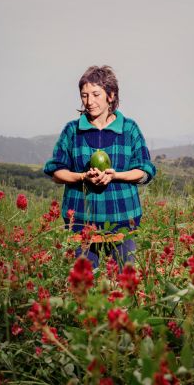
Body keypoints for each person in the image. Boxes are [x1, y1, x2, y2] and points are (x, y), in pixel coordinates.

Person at [44, 65, 156, 268]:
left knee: (124, 283)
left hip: (123, 220)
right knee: (84, 287)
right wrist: (82, 177)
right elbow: (56, 172)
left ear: (111, 95)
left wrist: (116, 176)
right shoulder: (72, 130)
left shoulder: (129, 129)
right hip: (81, 223)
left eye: (96, 94)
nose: (89, 101)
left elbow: (145, 170)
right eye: (84, 95)